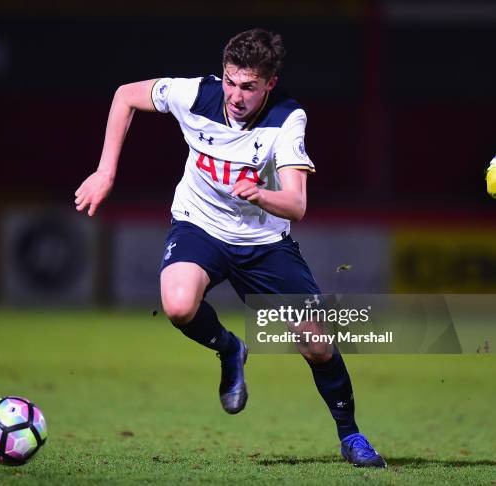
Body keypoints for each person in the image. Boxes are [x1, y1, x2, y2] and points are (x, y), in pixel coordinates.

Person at [75, 28, 386, 468]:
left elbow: (296, 204)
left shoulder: (287, 118)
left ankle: (351, 436)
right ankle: (230, 349)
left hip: (263, 244)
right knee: (179, 305)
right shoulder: (194, 94)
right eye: (230, 81)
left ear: (269, 84)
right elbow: (125, 95)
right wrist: (106, 172)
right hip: (199, 226)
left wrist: (260, 194)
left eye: (248, 86)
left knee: (316, 344)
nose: (236, 95)